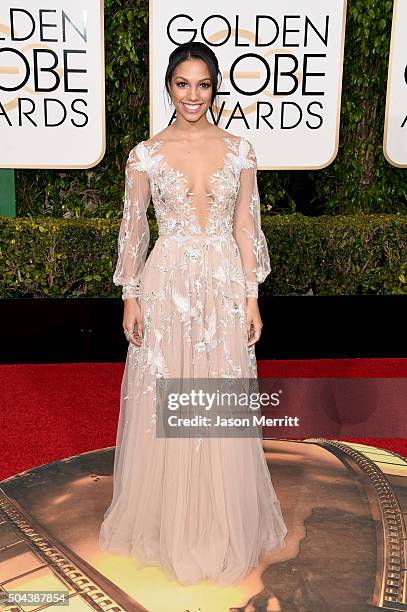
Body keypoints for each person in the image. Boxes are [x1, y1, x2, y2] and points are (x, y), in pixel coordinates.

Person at [99, 41, 287, 586]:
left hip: (225, 284)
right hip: (168, 285)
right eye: (183, 84)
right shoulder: (146, 154)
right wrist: (130, 295)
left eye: (203, 84)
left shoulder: (240, 150)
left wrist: (252, 296)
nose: (193, 96)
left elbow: (247, 229)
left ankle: (222, 522)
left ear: (214, 88)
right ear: (168, 87)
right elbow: (133, 230)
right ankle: (169, 524)